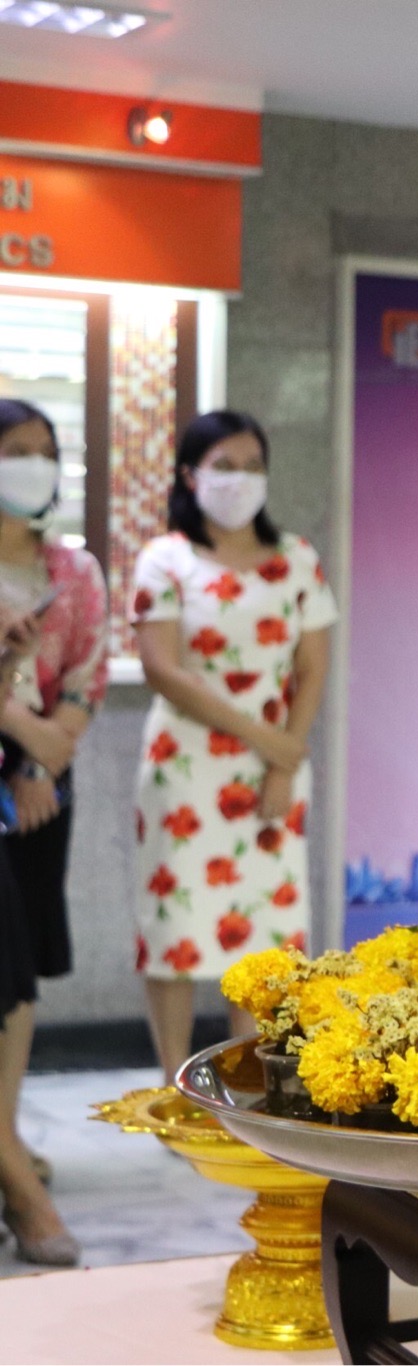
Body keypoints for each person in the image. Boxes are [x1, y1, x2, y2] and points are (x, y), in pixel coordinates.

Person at [133, 411, 336, 1081]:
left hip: (276, 767)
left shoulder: (297, 558)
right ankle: (175, 1081)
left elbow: (313, 667)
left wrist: (286, 755)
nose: (240, 479)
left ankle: (247, 1078)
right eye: (225, 465)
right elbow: (163, 668)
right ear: (191, 475)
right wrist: (266, 739)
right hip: (186, 767)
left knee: (262, 933)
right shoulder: (165, 558)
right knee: (175, 925)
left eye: (253, 465)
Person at [0, 399, 106, 1267]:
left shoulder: (74, 570)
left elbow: (84, 678)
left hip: (38, 789)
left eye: (44, 452)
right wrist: (22, 739)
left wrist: (36, 765)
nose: (31, 466)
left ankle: (6, 1137)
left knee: (19, 963)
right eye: (13, 452)